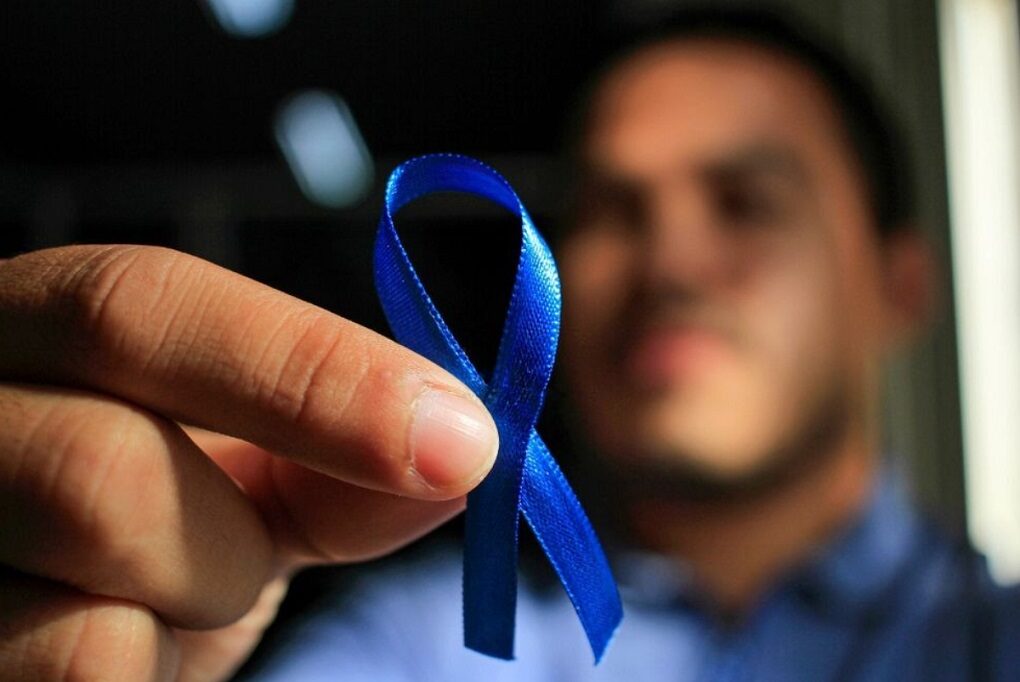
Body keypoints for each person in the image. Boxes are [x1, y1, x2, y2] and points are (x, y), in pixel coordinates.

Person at [0, 8, 1012, 682]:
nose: (668, 264)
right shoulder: (418, 645)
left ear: (900, 285)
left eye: (745, 203)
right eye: (613, 210)